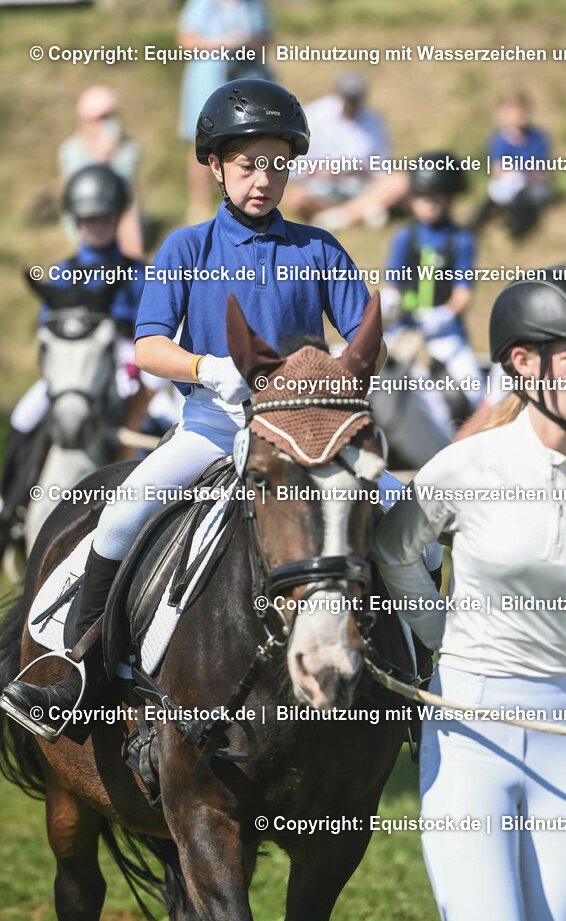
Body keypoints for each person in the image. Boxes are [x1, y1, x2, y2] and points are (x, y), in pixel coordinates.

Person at [1, 78, 387, 738]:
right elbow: (149, 346)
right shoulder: (185, 249)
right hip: (214, 425)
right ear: (214, 166)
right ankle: (77, 669)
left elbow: (362, 340)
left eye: (276, 165)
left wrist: (323, 386)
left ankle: (417, 672)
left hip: (303, 435)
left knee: (402, 515)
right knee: (121, 514)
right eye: (245, 165)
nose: (262, 179)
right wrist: (208, 368)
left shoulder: (318, 248)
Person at [371, 269, 566, 921]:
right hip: (468, 732)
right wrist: (439, 635)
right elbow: (394, 551)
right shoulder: (464, 466)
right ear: (521, 362)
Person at [0, 166, 153, 549]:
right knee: (24, 417)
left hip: (126, 366)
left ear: (117, 215)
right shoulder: (61, 273)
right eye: (87, 218)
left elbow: (152, 330)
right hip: (72, 370)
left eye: (102, 217)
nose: (95, 225)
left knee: (164, 417)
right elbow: (45, 331)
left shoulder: (141, 275)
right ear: (76, 219)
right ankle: (11, 510)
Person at [178, 0, 272, 224]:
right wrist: (222, 43)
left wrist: (246, 42)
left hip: (246, 80)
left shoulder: (253, 2)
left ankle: (245, 199)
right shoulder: (202, 0)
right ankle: (200, 203)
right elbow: (186, 40)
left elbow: (267, 38)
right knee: (201, 142)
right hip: (209, 79)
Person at [380, 152, 483, 417]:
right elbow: (392, 284)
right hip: (404, 330)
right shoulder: (404, 236)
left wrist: (444, 315)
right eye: (422, 196)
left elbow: (463, 293)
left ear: (450, 197)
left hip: (445, 334)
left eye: (437, 196)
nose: (429, 203)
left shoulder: (461, 240)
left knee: (474, 391)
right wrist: (389, 305)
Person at [284, 73, 402, 229]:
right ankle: (360, 213)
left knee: (399, 181)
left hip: (360, 185)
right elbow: (295, 165)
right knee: (295, 198)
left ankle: (337, 217)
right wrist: (322, 172)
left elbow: (381, 167)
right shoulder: (314, 115)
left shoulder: (373, 120)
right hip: (321, 186)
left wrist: (357, 170)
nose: (352, 105)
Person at [58, 86, 145, 260]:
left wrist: (110, 156)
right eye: (97, 119)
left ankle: (134, 264)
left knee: (128, 204)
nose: (103, 124)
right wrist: (100, 158)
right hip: (86, 217)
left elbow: (123, 187)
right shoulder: (70, 151)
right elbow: (83, 193)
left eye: (107, 117)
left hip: (118, 215)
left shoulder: (129, 149)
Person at [471, 89, 553, 240]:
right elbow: (498, 169)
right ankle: (474, 225)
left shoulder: (538, 138)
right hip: (510, 184)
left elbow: (543, 171)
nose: (517, 116)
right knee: (498, 192)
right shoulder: (498, 139)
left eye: (521, 111)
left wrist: (524, 175)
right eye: (511, 111)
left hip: (532, 186)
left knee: (526, 196)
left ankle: (517, 229)